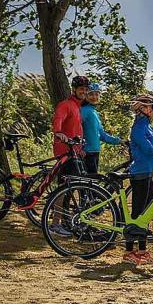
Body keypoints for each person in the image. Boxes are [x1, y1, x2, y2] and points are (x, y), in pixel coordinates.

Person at [123, 94, 153, 265]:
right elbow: (148, 149)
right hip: (140, 174)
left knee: (145, 214)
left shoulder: (148, 127)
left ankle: (142, 251)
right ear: (142, 109)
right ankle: (129, 251)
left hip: (148, 173)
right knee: (137, 213)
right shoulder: (138, 129)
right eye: (150, 106)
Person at [49, 75, 89, 236]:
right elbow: (58, 119)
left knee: (71, 188)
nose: (84, 92)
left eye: (86, 90)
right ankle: (55, 224)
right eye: (81, 89)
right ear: (74, 89)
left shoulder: (77, 107)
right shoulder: (66, 105)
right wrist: (59, 133)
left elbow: (75, 131)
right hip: (64, 151)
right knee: (64, 189)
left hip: (73, 152)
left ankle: (63, 220)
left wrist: (80, 149)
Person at [81, 83, 123, 174]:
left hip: (95, 152)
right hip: (86, 153)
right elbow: (76, 128)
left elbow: (102, 135)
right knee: (88, 185)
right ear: (85, 96)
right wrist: (80, 148)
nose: (94, 97)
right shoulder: (84, 110)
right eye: (91, 94)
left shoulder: (94, 112)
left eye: (97, 94)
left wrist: (119, 141)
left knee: (92, 184)